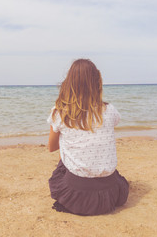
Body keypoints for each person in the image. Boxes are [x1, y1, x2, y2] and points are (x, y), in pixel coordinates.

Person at [47, 59, 129, 216]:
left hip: (78, 196)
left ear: (69, 82)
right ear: (97, 82)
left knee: (64, 148)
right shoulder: (109, 110)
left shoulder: (60, 112)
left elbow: (52, 147)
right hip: (110, 193)